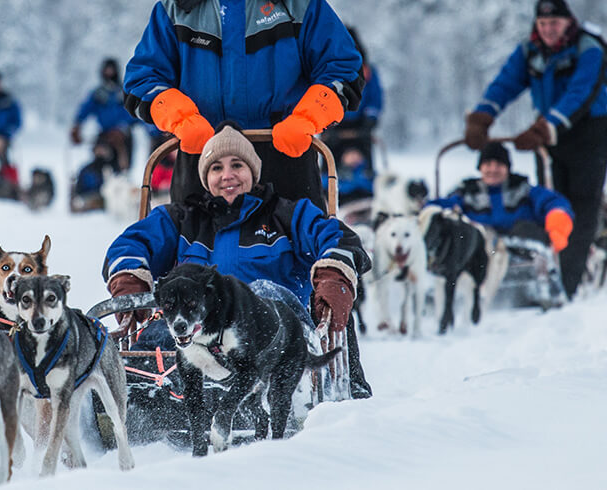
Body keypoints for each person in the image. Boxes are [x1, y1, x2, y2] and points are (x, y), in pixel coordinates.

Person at [122, 0, 364, 211]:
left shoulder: (301, 6)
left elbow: (345, 70)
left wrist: (306, 119)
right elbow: (141, 80)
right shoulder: (176, 10)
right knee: (191, 260)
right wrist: (181, 118)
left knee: (297, 257)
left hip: (284, 156)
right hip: (204, 156)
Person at [103, 126, 372, 397]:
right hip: (200, 332)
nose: (227, 175)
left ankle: (273, 391)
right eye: (216, 168)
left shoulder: (286, 215)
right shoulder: (184, 219)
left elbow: (337, 238)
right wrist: (129, 277)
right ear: (206, 177)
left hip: (275, 327)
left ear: (253, 172)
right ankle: (141, 397)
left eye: (237, 165)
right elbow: (130, 245)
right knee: (160, 333)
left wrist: (333, 273)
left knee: (263, 293)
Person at [462, 0, 607, 299]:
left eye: (554, 23)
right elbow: (506, 83)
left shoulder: (589, 49)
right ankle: (545, 273)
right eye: (543, 24)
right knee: (550, 204)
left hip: (588, 133)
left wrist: (546, 127)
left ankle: (568, 283)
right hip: (549, 137)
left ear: (568, 22)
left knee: (581, 206)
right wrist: (482, 116)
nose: (548, 30)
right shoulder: (530, 51)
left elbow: (580, 94)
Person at [430, 143, 575, 252]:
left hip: (522, 250)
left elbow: (554, 203)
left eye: (499, 164)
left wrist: (557, 225)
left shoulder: (523, 189)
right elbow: (440, 208)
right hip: (478, 252)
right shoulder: (466, 193)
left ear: (507, 168)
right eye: (488, 164)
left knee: (526, 229)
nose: (493, 169)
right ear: (480, 168)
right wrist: (425, 213)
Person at [325, 26, 383, 163]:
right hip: (334, 125)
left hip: (360, 125)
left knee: (364, 170)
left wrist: (369, 122)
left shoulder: (367, 71)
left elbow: (375, 99)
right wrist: (326, 123)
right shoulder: (328, 70)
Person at [71, 58, 138, 171]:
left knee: (122, 170)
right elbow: (85, 110)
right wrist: (77, 125)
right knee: (100, 166)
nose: (109, 73)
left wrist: (122, 128)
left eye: (111, 70)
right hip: (105, 136)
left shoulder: (125, 92)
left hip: (123, 137)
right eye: (107, 70)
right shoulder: (98, 94)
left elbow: (136, 114)